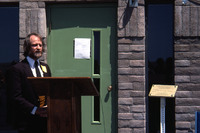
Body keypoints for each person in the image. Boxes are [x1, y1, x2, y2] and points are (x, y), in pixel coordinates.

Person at [6, 33, 51, 133]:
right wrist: (35, 110)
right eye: (34, 45)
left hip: (46, 121)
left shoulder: (45, 67)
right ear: (27, 47)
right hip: (27, 122)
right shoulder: (17, 69)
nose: (38, 48)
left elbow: (49, 91)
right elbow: (15, 96)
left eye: (40, 45)